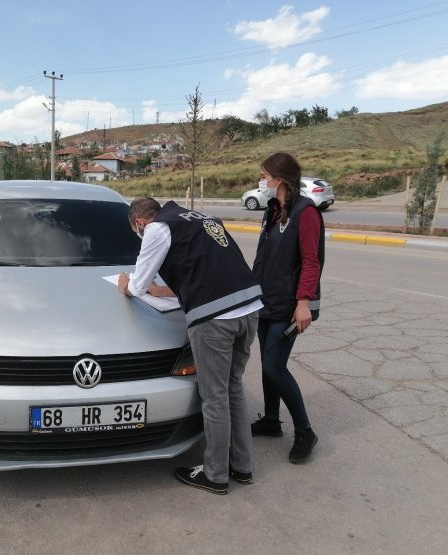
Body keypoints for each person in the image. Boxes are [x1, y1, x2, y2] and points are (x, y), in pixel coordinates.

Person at [117, 197, 263, 495]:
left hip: (215, 319)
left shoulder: (157, 229)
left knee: (214, 396)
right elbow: (205, 268)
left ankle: (215, 474)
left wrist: (125, 283)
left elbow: (137, 286)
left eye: (138, 231)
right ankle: (242, 466)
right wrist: (165, 290)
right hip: (248, 309)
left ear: (139, 223)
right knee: (233, 387)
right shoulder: (200, 219)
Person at [250, 152, 325, 463]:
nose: (262, 180)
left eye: (265, 175)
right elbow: (263, 258)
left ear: (279, 179)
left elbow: (311, 261)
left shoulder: (306, 212)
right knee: (269, 364)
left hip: (292, 305)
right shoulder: (273, 209)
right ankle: (271, 420)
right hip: (267, 300)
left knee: (274, 367)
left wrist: (304, 303)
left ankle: (305, 431)